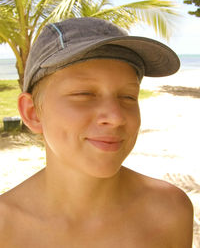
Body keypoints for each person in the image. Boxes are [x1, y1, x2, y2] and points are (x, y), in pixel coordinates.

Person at [0, 17, 193, 247]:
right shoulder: (6, 227)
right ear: (32, 113)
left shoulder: (170, 211)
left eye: (128, 96)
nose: (116, 117)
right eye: (84, 94)